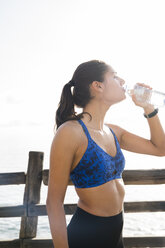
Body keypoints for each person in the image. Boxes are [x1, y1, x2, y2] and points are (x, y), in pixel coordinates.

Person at [46, 60, 165, 248]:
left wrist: (148, 108)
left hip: (116, 235)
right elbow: (53, 202)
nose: (122, 80)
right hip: (86, 238)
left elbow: (160, 149)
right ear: (97, 85)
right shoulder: (70, 132)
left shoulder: (114, 132)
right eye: (115, 76)